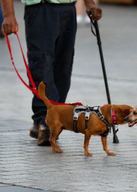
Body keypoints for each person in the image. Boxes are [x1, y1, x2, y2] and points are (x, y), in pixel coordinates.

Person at [1, 0, 102, 145]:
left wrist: (90, 4)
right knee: (41, 64)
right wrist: (9, 14)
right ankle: (47, 121)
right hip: (40, 8)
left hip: (68, 9)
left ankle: (46, 120)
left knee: (64, 66)